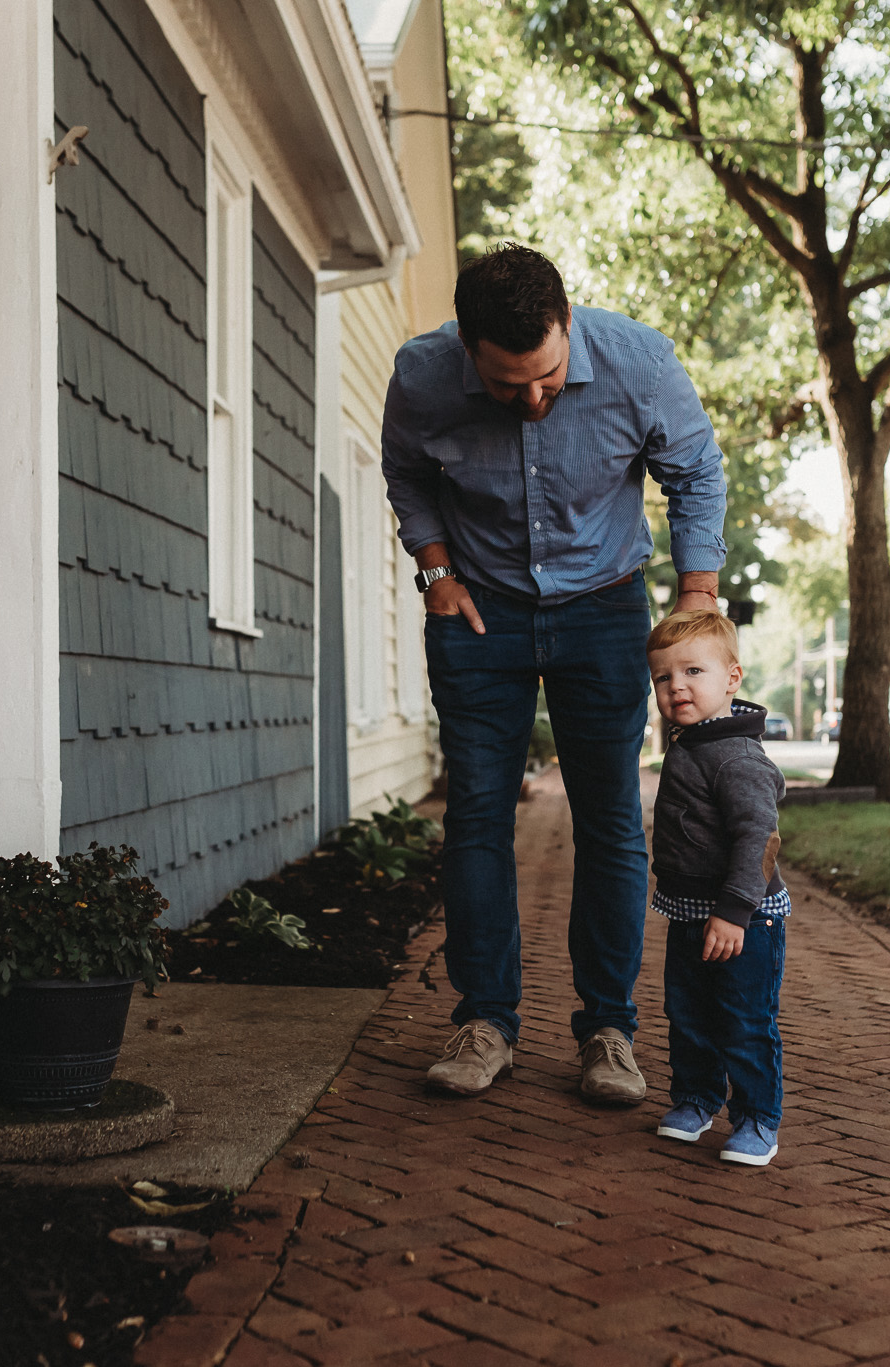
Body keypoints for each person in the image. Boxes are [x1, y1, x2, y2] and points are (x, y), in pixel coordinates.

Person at [380, 244, 727, 1105]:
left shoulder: (639, 361)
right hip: (478, 614)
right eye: (507, 386)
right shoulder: (421, 376)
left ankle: (608, 1029)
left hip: (603, 610)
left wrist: (695, 597)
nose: (532, 400)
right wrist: (435, 572)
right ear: (467, 348)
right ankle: (485, 1020)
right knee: (477, 816)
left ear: (568, 325)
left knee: (610, 818)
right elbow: (407, 474)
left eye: (547, 377)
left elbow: (695, 473)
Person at [644, 609, 787, 1165]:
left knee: (744, 1020)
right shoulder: (692, 742)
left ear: (732, 678)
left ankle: (757, 1119)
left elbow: (760, 837)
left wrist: (733, 911)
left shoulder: (735, 756)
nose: (676, 685)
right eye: (662, 677)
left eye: (693, 672)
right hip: (691, 912)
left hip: (742, 917)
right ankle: (698, 1099)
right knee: (689, 1012)